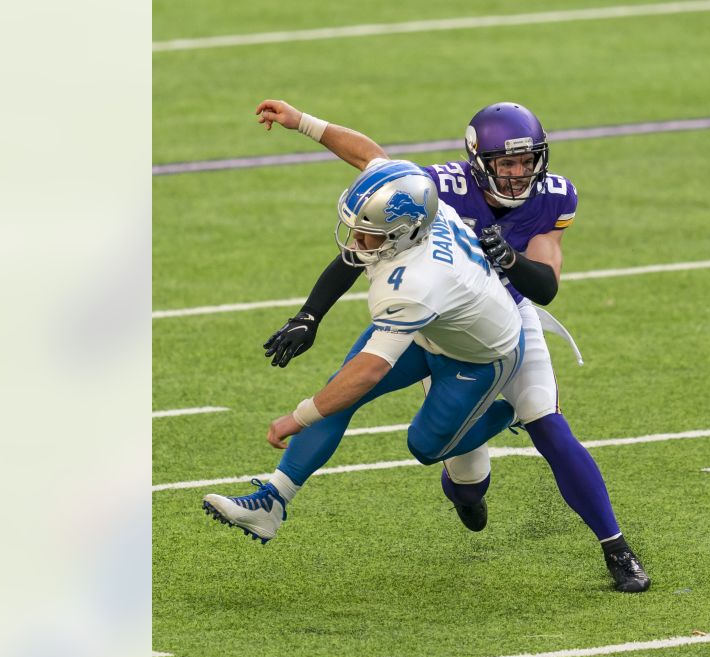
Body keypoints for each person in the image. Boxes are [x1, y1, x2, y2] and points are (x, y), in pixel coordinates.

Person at [253, 99, 650, 593]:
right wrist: (305, 123)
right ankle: (457, 492)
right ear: (478, 160)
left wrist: (512, 261)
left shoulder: (554, 197)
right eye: (506, 163)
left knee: (544, 418)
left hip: (505, 322)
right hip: (433, 318)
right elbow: (372, 190)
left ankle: (617, 548)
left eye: (527, 162)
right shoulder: (442, 186)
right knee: (458, 475)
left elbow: (545, 286)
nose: (518, 174)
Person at [203, 160, 525, 545]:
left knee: (425, 447)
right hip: (430, 328)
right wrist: (303, 122)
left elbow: (369, 372)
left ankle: (513, 412)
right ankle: (272, 502)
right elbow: (369, 154)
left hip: (479, 358)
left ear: (404, 234)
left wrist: (297, 417)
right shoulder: (421, 207)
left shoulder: (412, 285)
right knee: (336, 394)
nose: (355, 238)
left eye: (367, 232)